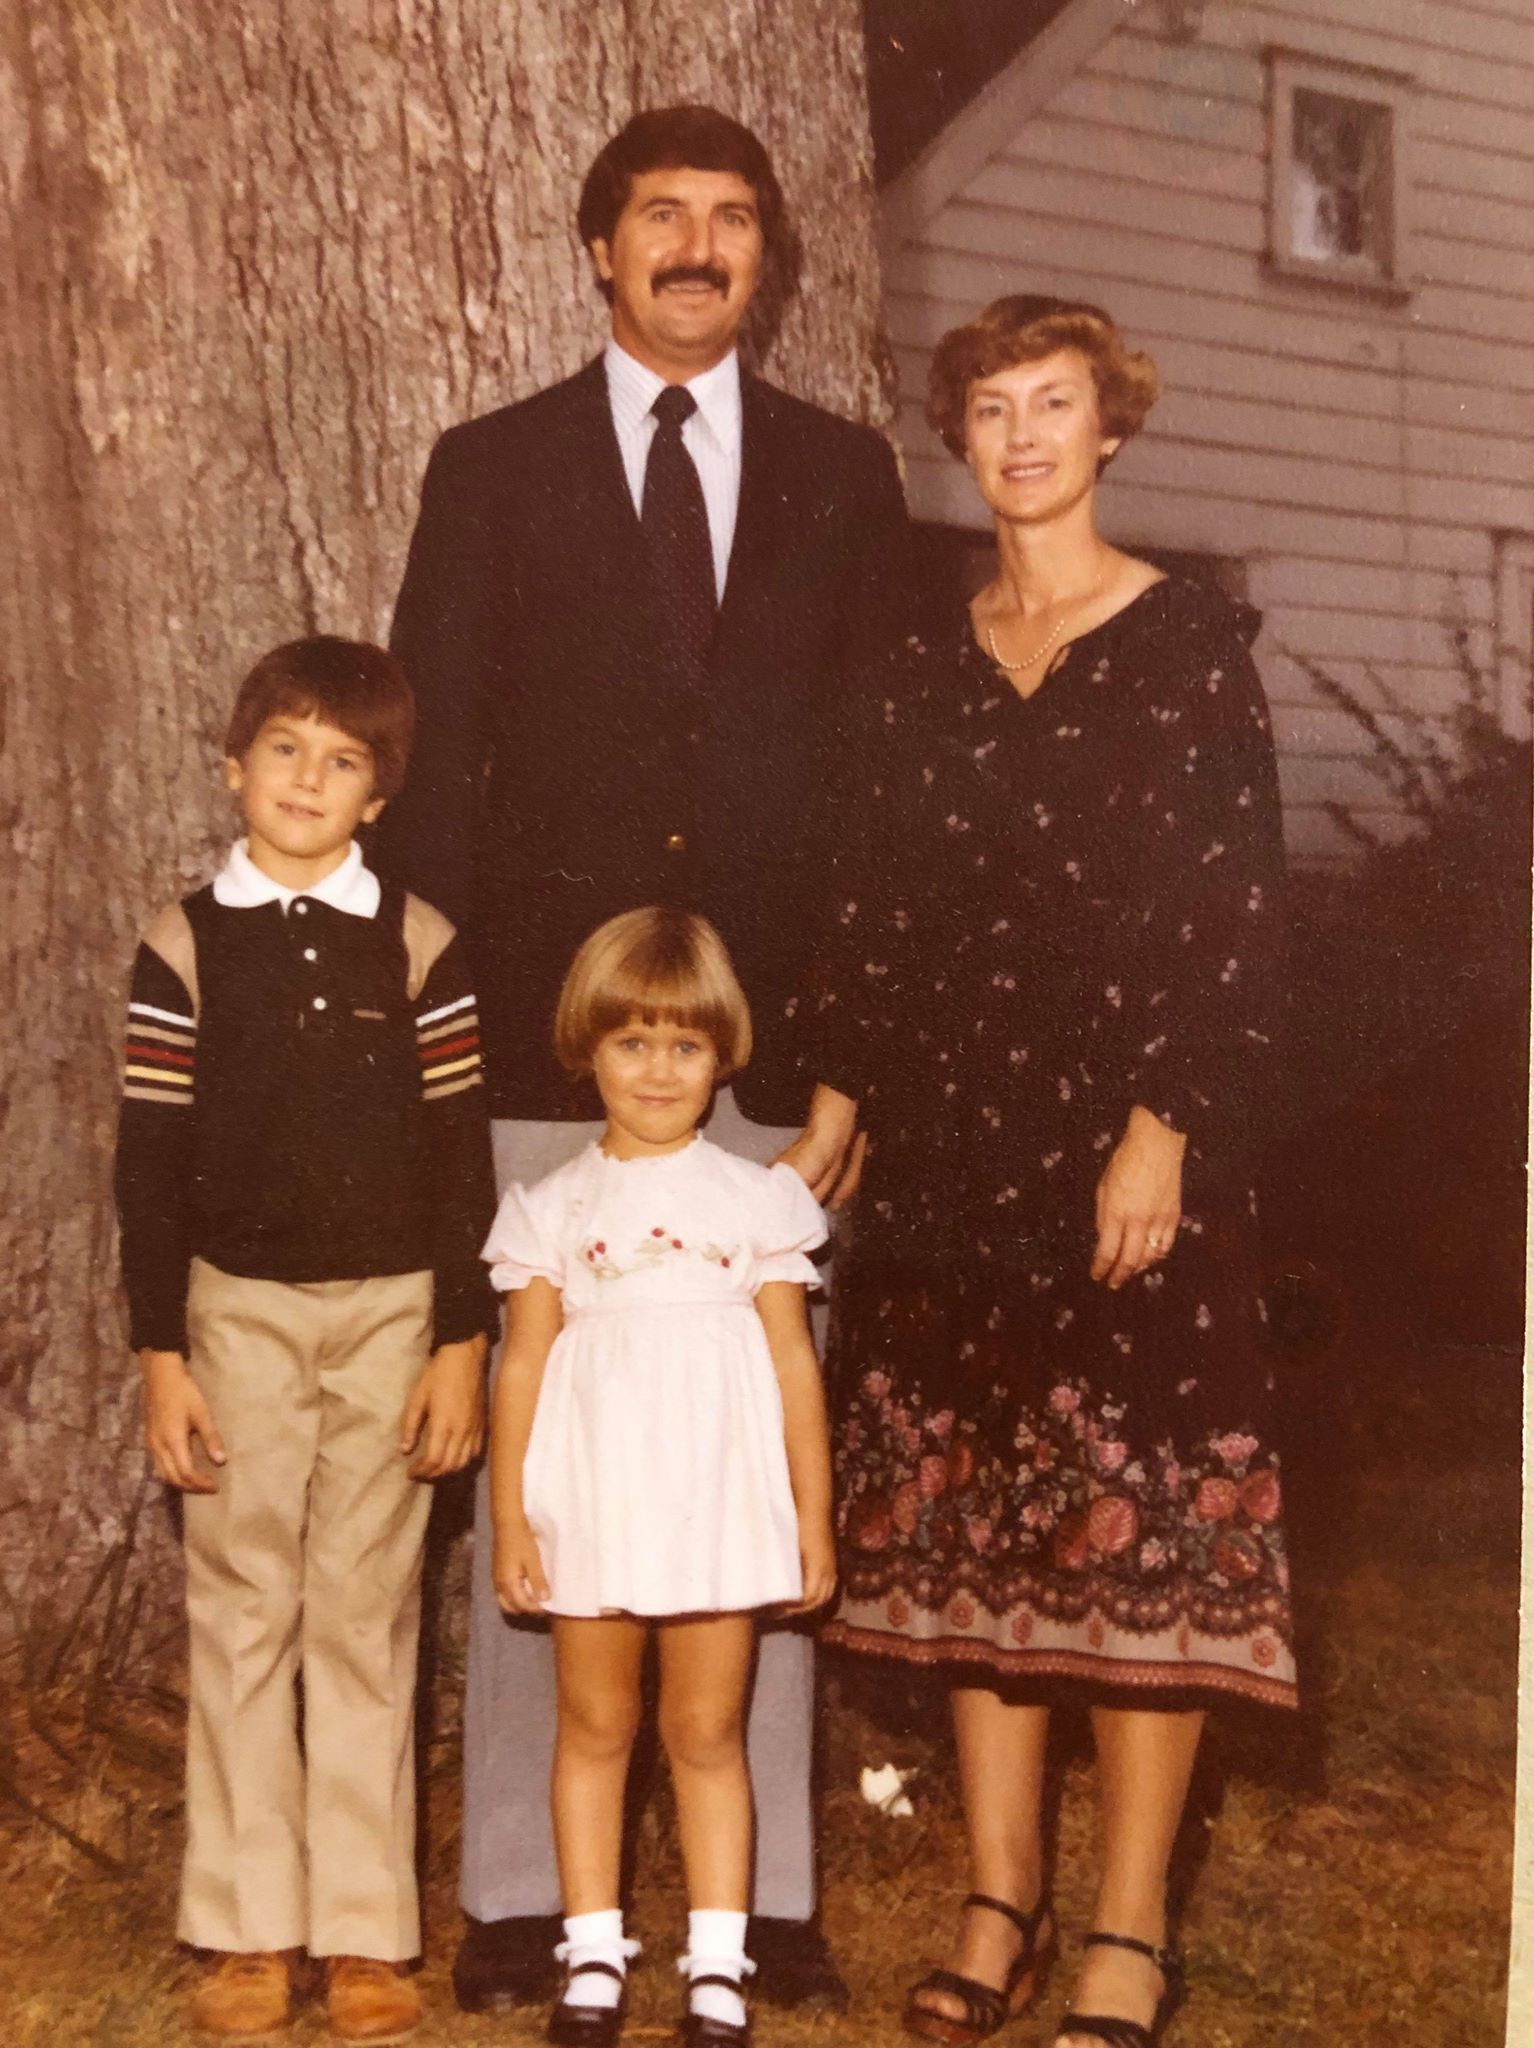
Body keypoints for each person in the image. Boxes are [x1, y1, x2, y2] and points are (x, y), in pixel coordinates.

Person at [375, 103, 908, 2013]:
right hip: (547, 1053)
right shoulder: (496, 467)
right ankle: (532, 1890)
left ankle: (751, 1902)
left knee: (749, 1461)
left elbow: (877, 782)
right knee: (561, 1451)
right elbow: (430, 793)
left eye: (734, 219)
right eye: (661, 216)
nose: (699, 244)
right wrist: (449, 1053)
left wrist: (840, 1046)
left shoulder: (847, 479)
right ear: (600, 249)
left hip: (755, 1054)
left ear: (773, 256)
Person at [811, 297, 1297, 2048]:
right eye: (993, 407)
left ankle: (1128, 1923)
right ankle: (998, 1896)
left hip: (1125, 1150)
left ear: (1112, 428)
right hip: (951, 1146)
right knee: (976, 1537)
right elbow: (873, 915)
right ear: (965, 436)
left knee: (1138, 1529)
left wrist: (1164, 1122)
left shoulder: (1184, 644)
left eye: (1056, 404)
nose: (1022, 435)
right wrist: (836, 1114)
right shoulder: (923, 662)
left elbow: (1232, 910)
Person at [114, 638, 497, 2044]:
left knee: (362, 1614)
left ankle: (364, 1933)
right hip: (237, 1315)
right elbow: (145, 1166)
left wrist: (461, 1341)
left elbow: (465, 1161)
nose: (309, 781)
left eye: (345, 762)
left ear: (377, 797)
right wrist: (164, 1352)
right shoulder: (181, 943)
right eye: (285, 750)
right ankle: (245, 1927)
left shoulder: (422, 943)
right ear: (234, 763)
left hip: (393, 1312)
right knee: (244, 1607)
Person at [483, 907, 836, 2048]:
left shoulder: (758, 1197)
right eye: (631, 1041)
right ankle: (591, 1956)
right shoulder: (551, 1206)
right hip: (591, 1499)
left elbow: (793, 1364)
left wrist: (811, 1518)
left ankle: (718, 1967)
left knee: (704, 1727)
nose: (657, 1068)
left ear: (722, 1054)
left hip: (718, 1506)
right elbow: (522, 1366)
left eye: (684, 1044)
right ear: (588, 1047)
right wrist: (510, 1521)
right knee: (594, 1721)